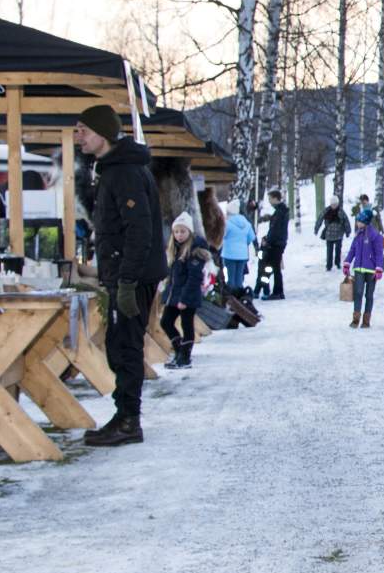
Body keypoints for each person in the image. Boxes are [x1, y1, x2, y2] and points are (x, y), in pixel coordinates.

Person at [74, 105, 166, 447]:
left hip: (134, 276)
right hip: (126, 273)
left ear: (103, 133)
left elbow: (138, 231)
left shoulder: (124, 172)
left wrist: (126, 281)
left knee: (125, 347)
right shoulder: (113, 169)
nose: (77, 136)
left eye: (83, 130)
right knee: (118, 345)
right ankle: (124, 416)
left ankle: (128, 420)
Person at [160, 213, 212, 368]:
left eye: (183, 231)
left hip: (187, 295)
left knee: (187, 324)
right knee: (166, 322)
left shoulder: (195, 250)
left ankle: (185, 357)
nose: (179, 235)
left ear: (189, 232)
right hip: (174, 294)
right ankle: (179, 351)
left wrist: (184, 298)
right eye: (176, 232)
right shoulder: (175, 249)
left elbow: (193, 277)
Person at [343, 208, 384, 328]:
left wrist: (379, 268)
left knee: (369, 295)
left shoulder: (375, 235)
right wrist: (347, 263)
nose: (357, 223)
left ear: (365, 221)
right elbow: (352, 250)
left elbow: (379, 253)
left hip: (371, 270)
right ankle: (355, 319)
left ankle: (366, 320)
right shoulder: (358, 234)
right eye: (357, 221)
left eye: (359, 221)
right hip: (359, 269)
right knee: (358, 293)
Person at [257, 189, 289, 300]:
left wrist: (268, 241)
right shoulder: (281, 211)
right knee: (275, 268)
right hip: (279, 242)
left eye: (270, 199)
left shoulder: (279, 212)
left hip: (276, 243)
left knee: (272, 268)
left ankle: (275, 291)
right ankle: (276, 291)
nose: (269, 201)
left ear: (276, 198)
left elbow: (275, 229)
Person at [221, 202, 255, 294]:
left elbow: (222, 236)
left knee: (230, 277)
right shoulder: (246, 223)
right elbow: (251, 237)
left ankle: (232, 298)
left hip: (229, 254)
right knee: (239, 277)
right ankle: (240, 294)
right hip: (242, 255)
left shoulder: (227, 223)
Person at [317, 202, 349, 270]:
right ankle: (329, 266)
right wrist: (316, 228)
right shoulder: (326, 211)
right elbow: (320, 219)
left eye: (335, 204)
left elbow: (346, 221)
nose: (333, 206)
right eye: (332, 204)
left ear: (337, 204)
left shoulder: (341, 211)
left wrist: (347, 231)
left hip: (339, 235)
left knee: (338, 250)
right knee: (329, 251)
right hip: (329, 235)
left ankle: (337, 263)